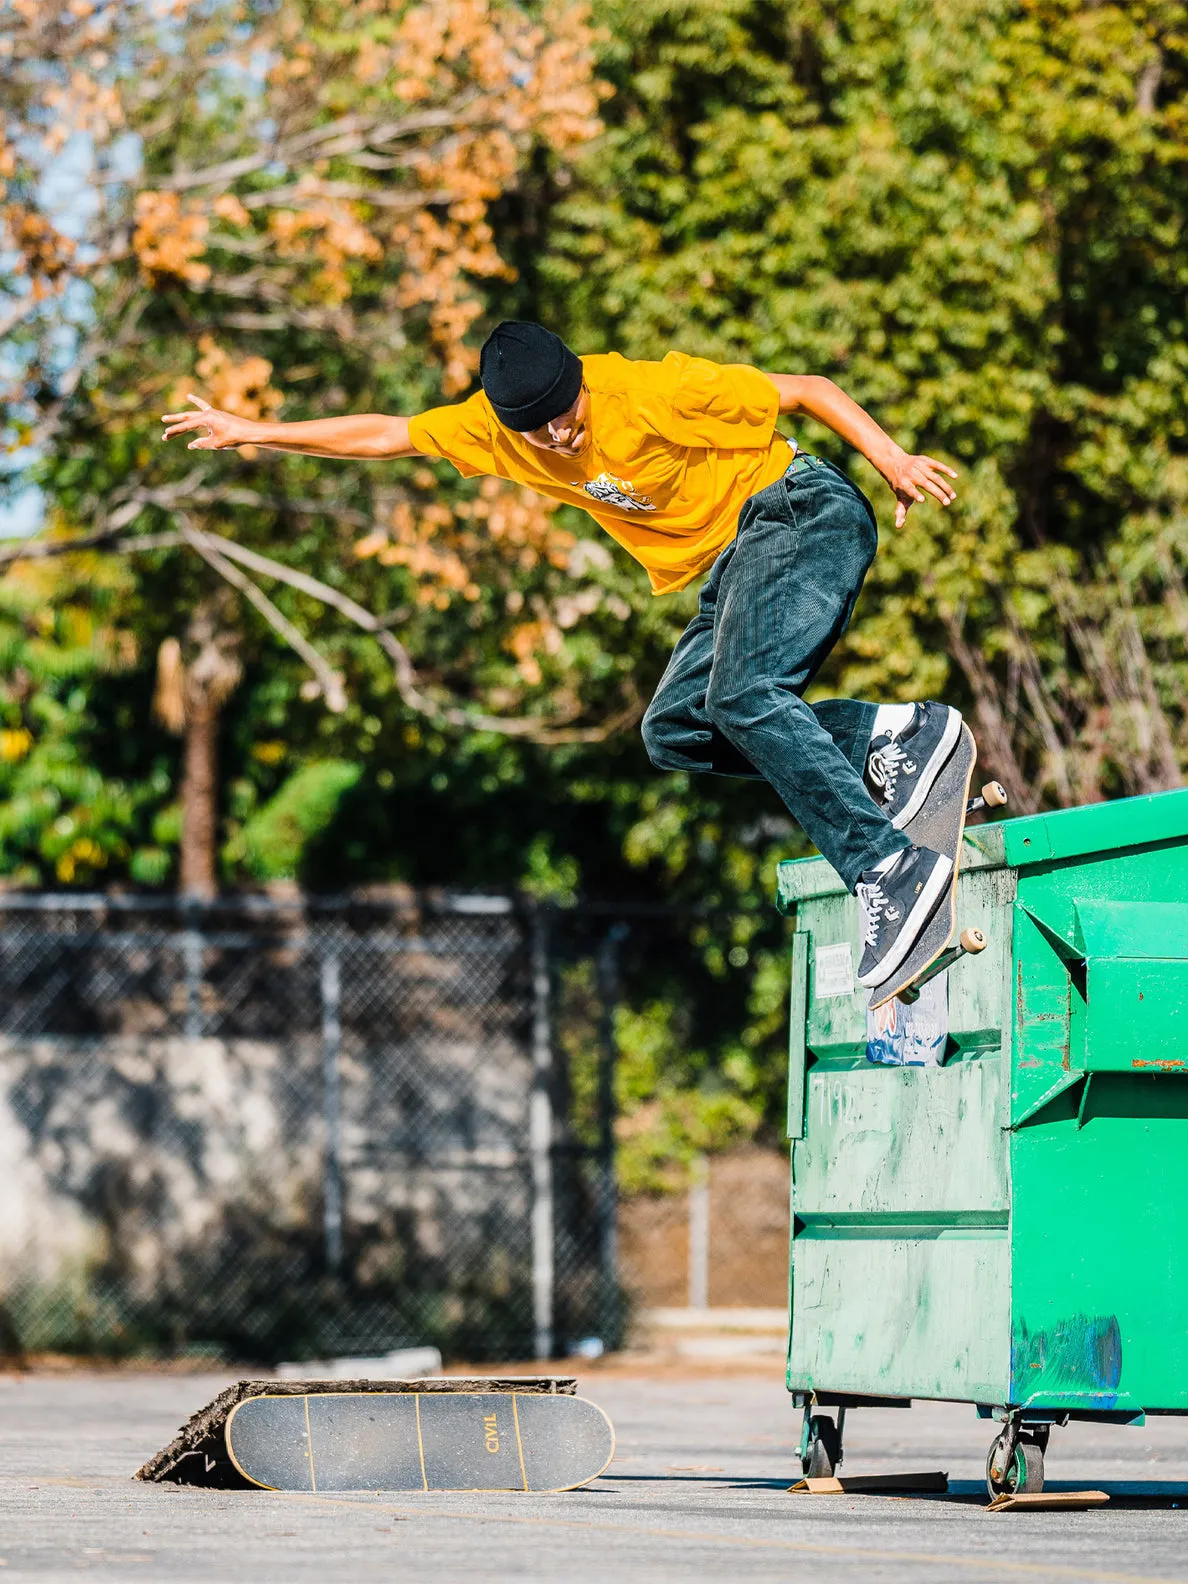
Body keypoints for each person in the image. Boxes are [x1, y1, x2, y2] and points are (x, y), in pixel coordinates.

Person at [161, 321, 961, 987]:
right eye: (536, 428)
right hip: (737, 559)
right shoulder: (490, 429)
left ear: (581, 382)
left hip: (799, 511)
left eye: (565, 414)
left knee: (747, 692)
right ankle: (892, 738)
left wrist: (890, 458)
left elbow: (805, 389)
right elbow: (388, 433)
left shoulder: (646, 391)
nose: (557, 434)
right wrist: (258, 431)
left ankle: (889, 869)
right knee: (677, 730)